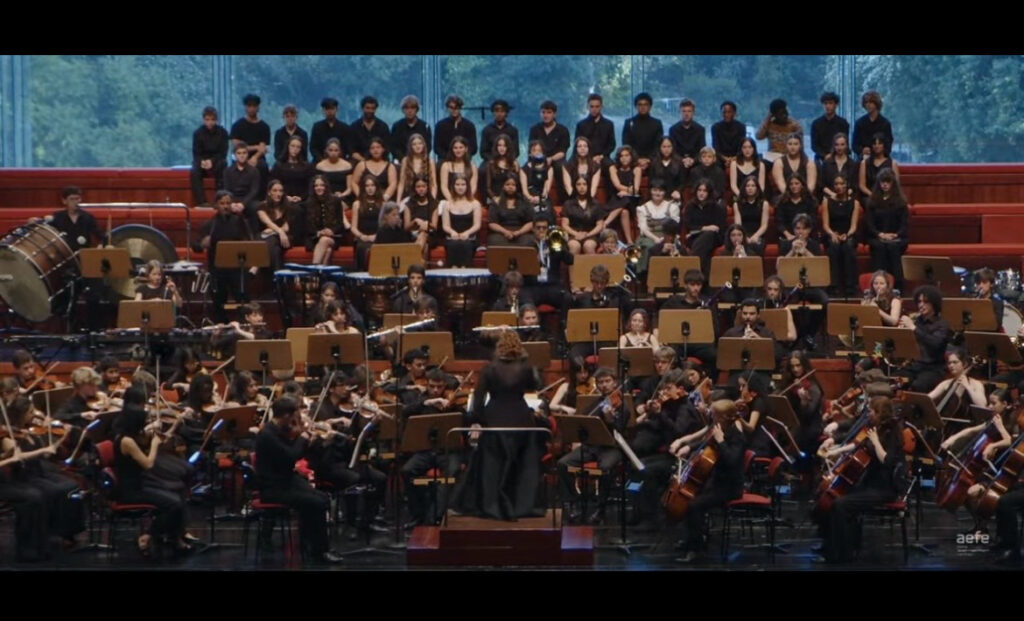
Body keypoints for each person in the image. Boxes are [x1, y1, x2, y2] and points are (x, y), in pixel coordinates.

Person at [457, 331, 545, 520]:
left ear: (498, 347)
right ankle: (521, 505)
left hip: (495, 418)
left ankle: (492, 505)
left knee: (492, 467)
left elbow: (479, 399)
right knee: (523, 466)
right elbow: (535, 385)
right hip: (521, 419)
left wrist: (479, 420)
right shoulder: (526, 367)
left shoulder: (490, 368)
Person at [814, 395, 905, 564]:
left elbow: (887, 461)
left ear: (880, 413)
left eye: (871, 410)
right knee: (833, 496)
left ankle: (843, 553)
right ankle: (830, 546)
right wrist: (834, 451)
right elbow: (857, 444)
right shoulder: (872, 426)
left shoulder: (892, 432)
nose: (868, 413)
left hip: (884, 488)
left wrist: (876, 441)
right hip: (868, 482)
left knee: (842, 505)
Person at [255, 397, 342, 563]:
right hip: (273, 487)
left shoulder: (278, 430)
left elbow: (298, 454)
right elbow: (290, 455)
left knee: (322, 498)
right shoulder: (267, 434)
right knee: (315, 503)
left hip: (286, 480)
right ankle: (319, 551)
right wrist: (302, 437)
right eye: (295, 416)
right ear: (287, 416)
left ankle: (310, 544)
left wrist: (314, 442)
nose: (297, 421)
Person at [113, 387, 191, 557]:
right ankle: (150, 535)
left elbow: (159, 439)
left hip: (142, 483)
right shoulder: (126, 441)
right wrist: (154, 445)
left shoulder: (133, 436)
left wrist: (174, 426)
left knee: (177, 491)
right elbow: (148, 464)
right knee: (174, 505)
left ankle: (174, 536)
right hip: (132, 490)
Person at [672, 399, 746, 563]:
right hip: (716, 482)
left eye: (715, 415)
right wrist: (688, 448)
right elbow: (705, 443)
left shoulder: (737, 436)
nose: (712, 418)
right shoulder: (719, 429)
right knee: (687, 498)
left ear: (725, 417)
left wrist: (721, 441)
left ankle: (695, 549)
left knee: (694, 505)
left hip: (730, 487)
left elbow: (732, 461)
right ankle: (691, 539)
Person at [557, 366, 624, 524]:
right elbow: (583, 422)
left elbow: (621, 428)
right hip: (592, 446)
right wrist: (576, 439)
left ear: (615, 383)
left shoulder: (622, 403)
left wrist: (610, 419)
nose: (604, 385)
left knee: (606, 468)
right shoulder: (597, 402)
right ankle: (572, 502)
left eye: (608, 381)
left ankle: (601, 508)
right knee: (562, 464)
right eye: (600, 382)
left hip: (611, 447)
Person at [194, 190, 256, 324]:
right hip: (217, 271)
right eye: (222, 203)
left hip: (237, 270)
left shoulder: (239, 221)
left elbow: (250, 241)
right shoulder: (210, 224)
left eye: (228, 203)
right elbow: (196, 245)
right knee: (218, 304)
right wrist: (202, 244)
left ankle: (245, 326)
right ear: (216, 205)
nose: (226, 206)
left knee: (244, 302)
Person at [896, 285, 952, 392]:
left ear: (934, 304)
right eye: (919, 302)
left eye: (925, 302)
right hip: (914, 366)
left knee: (919, 385)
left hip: (933, 369)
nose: (921, 305)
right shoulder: (916, 321)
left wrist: (913, 328)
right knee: (894, 379)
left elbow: (935, 343)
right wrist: (902, 333)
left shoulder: (942, 325)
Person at [864, 168, 909, 290]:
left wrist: (895, 235)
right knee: (879, 247)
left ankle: (897, 286)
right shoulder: (872, 202)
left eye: (887, 182)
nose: (885, 185)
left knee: (893, 247)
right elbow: (869, 224)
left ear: (893, 184)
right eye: (882, 182)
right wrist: (880, 234)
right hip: (877, 237)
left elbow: (904, 225)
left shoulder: (901, 202)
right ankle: (878, 285)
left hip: (897, 237)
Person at [822, 175, 863, 296]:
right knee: (833, 247)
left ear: (847, 185)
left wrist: (847, 234)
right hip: (832, 233)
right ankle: (832, 285)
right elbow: (825, 224)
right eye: (836, 184)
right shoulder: (827, 201)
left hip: (848, 233)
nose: (839, 187)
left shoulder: (854, 202)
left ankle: (850, 286)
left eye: (841, 184)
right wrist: (832, 234)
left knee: (848, 247)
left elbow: (854, 226)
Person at [682, 179, 727, 278]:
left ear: (709, 192)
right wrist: (705, 228)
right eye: (699, 190)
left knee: (708, 235)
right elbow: (689, 225)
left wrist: (702, 230)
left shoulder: (716, 207)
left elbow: (719, 227)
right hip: (694, 236)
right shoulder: (690, 206)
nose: (701, 193)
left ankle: (692, 267)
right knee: (705, 253)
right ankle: (704, 279)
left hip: (713, 238)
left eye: (704, 191)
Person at [229, 94, 271, 198]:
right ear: (245, 107)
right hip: (240, 156)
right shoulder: (237, 125)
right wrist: (255, 147)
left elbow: (262, 148)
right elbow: (236, 146)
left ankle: (261, 198)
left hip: (258, 158)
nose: (251, 108)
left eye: (254, 106)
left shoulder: (264, 126)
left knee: (262, 166)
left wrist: (255, 157)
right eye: (249, 106)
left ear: (258, 107)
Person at [635, 181, 680, 272]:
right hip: (649, 236)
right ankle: (646, 273)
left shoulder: (672, 207)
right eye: (655, 190)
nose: (657, 193)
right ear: (650, 191)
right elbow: (644, 229)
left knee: (674, 246)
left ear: (665, 192)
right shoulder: (643, 208)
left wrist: (665, 239)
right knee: (650, 247)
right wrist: (656, 239)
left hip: (668, 236)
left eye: (660, 190)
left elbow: (674, 227)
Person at [303, 174, 348, 266]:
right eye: (316, 186)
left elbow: (340, 223)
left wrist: (331, 231)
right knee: (327, 250)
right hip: (314, 238)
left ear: (326, 187)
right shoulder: (308, 203)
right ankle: (320, 277)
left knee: (325, 240)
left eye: (322, 185)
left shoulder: (336, 201)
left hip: (333, 237)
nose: (319, 188)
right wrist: (318, 232)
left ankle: (314, 269)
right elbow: (306, 226)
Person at [190, 106, 229, 207]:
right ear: (203, 120)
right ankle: (202, 202)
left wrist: (212, 161)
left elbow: (223, 153)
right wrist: (202, 161)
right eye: (207, 120)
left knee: (223, 165)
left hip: (217, 161)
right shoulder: (197, 133)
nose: (210, 122)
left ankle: (220, 199)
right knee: (194, 170)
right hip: (202, 161)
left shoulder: (223, 133)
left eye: (212, 120)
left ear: (216, 120)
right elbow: (196, 153)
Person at [440, 174, 482, 267]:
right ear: (453, 186)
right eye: (457, 184)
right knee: (452, 245)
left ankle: (465, 269)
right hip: (452, 237)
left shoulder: (475, 203)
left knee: (466, 244)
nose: (460, 187)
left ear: (467, 186)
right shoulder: (447, 204)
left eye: (463, 184)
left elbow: (477, 225)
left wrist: (467, 233)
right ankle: (452, 270)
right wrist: (452, 232)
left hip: (470, 238)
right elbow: (445, 226)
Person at [605, 146, 642, 245]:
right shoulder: (612, 168)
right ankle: (629, 241)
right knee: (624, 211)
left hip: (632, 199)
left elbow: (636, 189)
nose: (624, 158)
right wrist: (629, 191)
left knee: (626, 199)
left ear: (631, 157)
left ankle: (605, 223)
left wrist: (627, 193)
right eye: (621, 156)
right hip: (616, 197)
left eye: (627, 155)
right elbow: (617, 185)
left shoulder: (637, 169)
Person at [560, 175, 606, 255]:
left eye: (584, 184)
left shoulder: (595, 204)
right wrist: (576, 234)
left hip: (591, 234)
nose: (582, 187)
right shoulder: (568, 204)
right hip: (573, 235)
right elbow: (564, 225)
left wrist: (587, 235)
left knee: (588, 246)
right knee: (574, 246)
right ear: (574, 186)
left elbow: (599, 225)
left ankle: (592, 268)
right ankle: (574, 268)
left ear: (588, 186)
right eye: (579, 184)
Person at [774, 174, 818, 256]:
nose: (794, 186)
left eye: (797, 183)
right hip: (787, 234)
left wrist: (804, 234)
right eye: (791, 184)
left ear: (802, 185)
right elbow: (779, 222)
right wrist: (789, 235)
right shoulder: (782, 201)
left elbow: (813, 220)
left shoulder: (810, 201)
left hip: (806, 233)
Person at [256, 179, 293, 272]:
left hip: (284, 239)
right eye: (275, 191)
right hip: (268, 238)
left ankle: (256, 265)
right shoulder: (262, 206)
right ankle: (277, 279)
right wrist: (279, 231)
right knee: (275, 250)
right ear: (269, 192)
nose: (278, 194)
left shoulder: (287, 207)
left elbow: (286, 228)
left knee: (271, 238)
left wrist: (274, 231)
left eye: (281, 191)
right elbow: (268, 222)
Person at [351, 174, 386, 272]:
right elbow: (353, 227)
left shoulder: (383, 204)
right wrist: (362, 236)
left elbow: (384, 226)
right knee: (362, 247)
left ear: (376, 187)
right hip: (362, 237)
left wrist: (376, 236)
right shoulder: (357, 204)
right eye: (367, 186)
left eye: (372, 185)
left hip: (378, 237)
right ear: (363, 188)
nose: (370, 188)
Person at [487, 177, 535, 247]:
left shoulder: (525, 202)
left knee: (529, 240)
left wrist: (519, 232)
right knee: (494, 241)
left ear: (517, 187)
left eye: (513, 185)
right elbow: (492, 223)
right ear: (503, 187)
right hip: (501, 232)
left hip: (521, 231)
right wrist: (505, 232)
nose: (510, 187)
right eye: (507, 184)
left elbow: (531, 222)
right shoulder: (496, 202)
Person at [223, 142, 261, 228]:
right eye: (239, 153)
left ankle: (254, 237)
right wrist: (232, 203)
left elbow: (254, 191)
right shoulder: (227, 171)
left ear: (247, 154)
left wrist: (243, 204)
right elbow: (226, 189)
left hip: (248, 200)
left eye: (244, 153)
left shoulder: (254, 171)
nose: (242, 155)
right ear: (234, 155)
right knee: (224, 207)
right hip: (233, 199)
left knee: (256, 207)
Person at [669, 98, 706, 188]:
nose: (686, 114)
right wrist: (682, 160)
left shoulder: (700, 129)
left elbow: (702, 150)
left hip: (695, 161)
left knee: (700, 170)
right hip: (678, 161)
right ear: (680, 112)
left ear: (693, 112)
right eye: (684, 111)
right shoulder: (673, 129)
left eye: (689, 111)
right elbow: (672, 150)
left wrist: (693, 160)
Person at [401, 175, 439, 259]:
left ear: (427, 188)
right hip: (412, 235)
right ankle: (421, 268)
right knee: (425, 247)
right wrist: (415, 221)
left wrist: (426, 224)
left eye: (423, 186)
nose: (421, 189)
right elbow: (406, 227)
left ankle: (412, 260)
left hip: (430, 234)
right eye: (418, 187)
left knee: (423, 234)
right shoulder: (408, 205)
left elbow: (435, 226)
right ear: (414, 188)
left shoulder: (433, 204)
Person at [622, 92, 663, 169]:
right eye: (640, 105)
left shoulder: (657, 123)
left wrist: (648, 160)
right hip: (633, 160)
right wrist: (637, 159)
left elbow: (658, 145)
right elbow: (626, 144)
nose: (643, 107)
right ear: (636, 106)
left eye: (645, 104)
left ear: (650, 106)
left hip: (652, 160)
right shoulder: (629, 122)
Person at [269, 136, 313, 205]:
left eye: (298, 147)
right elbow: (273, 184)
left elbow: (310, 186)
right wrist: (284, 196)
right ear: (288, 147)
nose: (295, 149)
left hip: (301, 200)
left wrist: (301, 198)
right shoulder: (279, 165)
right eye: (292, 146)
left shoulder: (306, 166)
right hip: (281, 199)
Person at [574, 93, 615, 167]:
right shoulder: (581, 125)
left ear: (601, 107)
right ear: (588, 107)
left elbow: (612, 145)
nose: (594, 109)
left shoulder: (609, 124)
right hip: (584, 157)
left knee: (611, 167)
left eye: (597, 106)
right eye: (592, 106)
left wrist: (601, 156)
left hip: (603, 157)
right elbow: (577, 144)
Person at [732, 176, 769, 255]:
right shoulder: (737, 204)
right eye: (748, 186)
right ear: (744, 188)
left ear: (757, 188)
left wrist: (755, 236)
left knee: (756, 246)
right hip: (742, 234)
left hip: (758, 234)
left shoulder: (764, 204)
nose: (750, 188)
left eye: (753, 186)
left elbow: (764, 225)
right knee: (743, 246)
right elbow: (738, 225)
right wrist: (744, 237)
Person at [351, 137, 397, 202]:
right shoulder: (362, 165)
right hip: (365, 199)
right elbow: (354, 182)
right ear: (369, 150)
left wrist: (385, 197)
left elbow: (393, 184)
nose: (375, 150)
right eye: (372, 148)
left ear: (383, 149)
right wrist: (361, 196)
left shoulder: (390, 166)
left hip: (383, 199)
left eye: (378, 147)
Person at [851, 90, 894, 159]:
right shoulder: (859, 123)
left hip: (882, 159)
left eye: (871, 102)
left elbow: (888, 146)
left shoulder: (885, 123)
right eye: (866, 102)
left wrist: (878, 151)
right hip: (864, 159)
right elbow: (854, 145)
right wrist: (862, 150)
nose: (868, 105)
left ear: (876, 103)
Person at [810, 92, 849, 165]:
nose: (827, 106)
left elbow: (846, 143)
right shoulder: (816, 123)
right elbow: (814, 145)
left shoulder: (843, 123)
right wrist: (825, 155)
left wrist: (834, 155)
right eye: (825, 103)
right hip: (821, 158)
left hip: (840, 156)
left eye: (830, 103)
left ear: (836, 105)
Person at [859, 133, 901, 202]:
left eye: (879, 143)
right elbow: (862, 185)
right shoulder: (864, 163)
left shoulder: (892, 163)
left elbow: (896, 184)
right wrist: (873, 195)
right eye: (874, 144)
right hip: (870, 196)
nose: (877, 146)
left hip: (888, 196)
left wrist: (886, 196)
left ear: (884, 145)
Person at [434, 94, 477, 160]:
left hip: (464, 159)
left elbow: (473, 148)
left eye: (456, 107)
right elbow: (437, 148)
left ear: (460, 108)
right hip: (445, 160)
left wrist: (461, 157)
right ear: (447, 108)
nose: (454, 110)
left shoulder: (469, 125)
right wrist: (449, 157)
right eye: (451, 107)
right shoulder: (440, 126)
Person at [390, 95, 432, 161]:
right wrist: (404, 160)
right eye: (406, 108)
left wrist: (417, 159)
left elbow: (428, 147)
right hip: (401, 160)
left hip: (420, 160)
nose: (409, 111)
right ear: (403, 110)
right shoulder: (397, 126)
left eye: (412, 108)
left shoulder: (425, 126)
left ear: (417, 110)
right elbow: (393, 147)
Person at [349, 95, 391, 162]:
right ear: (362, 108)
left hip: (380, 161)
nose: (370, 111)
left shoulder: (383, 126)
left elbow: (387, 148)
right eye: (367, 108)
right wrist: (365, 162)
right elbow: (351, 150)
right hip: (359, 161)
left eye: (373, 108)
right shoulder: (354, 127)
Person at [314, 138, 355, 205]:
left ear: (340, 151)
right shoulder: (320, 166)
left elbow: (349, 188)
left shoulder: (347, 166)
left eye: (336, 150)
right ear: (326, 151)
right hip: (325, 196)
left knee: (339, 205)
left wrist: (341, 195)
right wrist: (330, 195)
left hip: (343, 197)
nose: (333, 153)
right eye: (330, 150)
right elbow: (318, 186)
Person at [483, 134, 520, 207]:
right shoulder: (491, 164)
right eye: (499, 145)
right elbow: (488, 188)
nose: (502, 148)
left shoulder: (514, 164)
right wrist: (494, 198)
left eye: (504, 146)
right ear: (496, 147)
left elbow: (518, 186)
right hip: (495, 198)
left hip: (511, 198)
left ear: (508, 148)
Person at [309, 97, 350, 163]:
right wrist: (322, 160)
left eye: (332, 109)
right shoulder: (317, 127)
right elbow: (313, 148)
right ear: (323, 110)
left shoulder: (344, 127)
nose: (330, 112)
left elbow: (347, 148)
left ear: (336, 110)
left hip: (340, 161)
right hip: (320, 161)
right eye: (327, 109)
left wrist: (337, 159)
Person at [439, 136, 478, 202]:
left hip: (467, 200)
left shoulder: (472, 166)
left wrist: (465, 200)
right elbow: (444, 187)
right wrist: (452, 201)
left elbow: (473, 187)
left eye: (461, 147)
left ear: (466, 149)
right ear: (452, 150)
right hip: (450, 200)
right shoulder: (446, 166)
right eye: (455, 148)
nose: (458, 150)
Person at [821, 133, 858, 201]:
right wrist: (833, 195)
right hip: (830, 196)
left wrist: (844, 196)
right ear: (833, 146)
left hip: (847, 197)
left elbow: (854, 186)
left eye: (842, 144)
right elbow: (822, 185)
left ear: (846, 145)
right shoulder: (827, 163)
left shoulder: (852, 164)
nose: (839, 148)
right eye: (837, 145)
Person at [562, 137, 601, 201]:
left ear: (589, 149)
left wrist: (586, 202)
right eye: (579, 146)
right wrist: (578, 202)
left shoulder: (596, 167)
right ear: (575, 149)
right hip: (572, 199)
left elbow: (593, 188)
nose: (582, 148)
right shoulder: (567, 166)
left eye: (585, 146)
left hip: (590, 199)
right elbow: (568, 187)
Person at [649, 137, 686, 204]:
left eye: (669, 146)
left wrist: (678, 191)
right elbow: (652, 181)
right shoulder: (654, 162)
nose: (667, 149)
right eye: (664, 147)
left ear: (673, 147)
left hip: (674, 196)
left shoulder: (679, 162)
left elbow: (682, 182)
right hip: (658, 196)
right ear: (660, 148)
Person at [711, 100, 746, 168]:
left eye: (729, 112)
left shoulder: (741, 127)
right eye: (724, 112)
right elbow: (715, 148)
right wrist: (726, 159)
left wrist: (733, 159)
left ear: (734, 113)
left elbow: (741, 147)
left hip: (737, 157)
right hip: (720, 158)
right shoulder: (715, 127)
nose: (726, 115)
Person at [974, 268, 1005, 332]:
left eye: (984, 282)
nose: (981, 285)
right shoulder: (972, 301)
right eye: (978, 283)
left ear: (991, 284)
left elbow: (997, 324)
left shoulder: (997, 303)